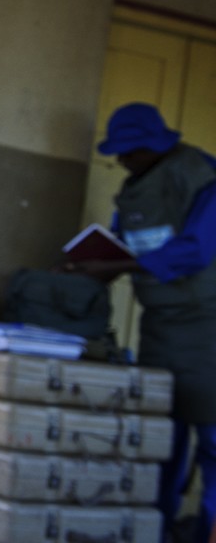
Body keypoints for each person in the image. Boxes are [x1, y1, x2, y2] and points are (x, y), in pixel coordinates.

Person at [67, 102, 216, 543]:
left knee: (212, 444)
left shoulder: (202, 178)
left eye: (130, 152)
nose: (122, 161)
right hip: (161, 328)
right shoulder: (135, 188)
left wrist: (126, 267)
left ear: (153, 145)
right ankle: (157, 531)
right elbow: (121, 247)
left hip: (207, 327)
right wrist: (93, 265)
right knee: (158, 441)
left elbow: (196, 250)